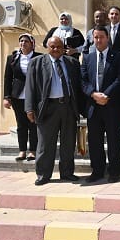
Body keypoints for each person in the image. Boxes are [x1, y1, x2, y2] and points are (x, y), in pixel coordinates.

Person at [25, 36, 82, 186]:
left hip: (68, 107)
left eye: (59, 47)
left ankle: (67, 172)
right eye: (52, 46)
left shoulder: (72, 63)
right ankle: (43, 174)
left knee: (68, 143)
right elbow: (30, 87)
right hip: (47, 108)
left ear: (63, 48)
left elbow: (78, 87)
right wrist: (29, 108)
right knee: (45, 144)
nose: (56, 49)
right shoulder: (36, 63)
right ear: (47, 47)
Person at [81, 25, 120, 183]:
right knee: (95, 141)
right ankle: (97, 171)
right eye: (96, 37)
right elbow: (83, 80)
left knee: (114, 141)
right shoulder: (88, 58)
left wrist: (106, 95)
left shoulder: (118, 57)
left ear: (107, 38)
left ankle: (114, 172)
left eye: (101, 37)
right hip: (93, 106)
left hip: (111, 105)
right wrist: (93, 94)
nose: (98, 40)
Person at [3, 33, 42, 161]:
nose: (23, 43)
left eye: (26, 41)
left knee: (33, 124)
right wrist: (6, 97)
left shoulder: (39, 57)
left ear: (32, 44)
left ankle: (33, 151)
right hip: (17, 96)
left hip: (34, 96)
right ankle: (22, 150)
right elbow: (8, 78)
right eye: (21, 41)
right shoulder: (12, 58)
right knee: (21, 124)